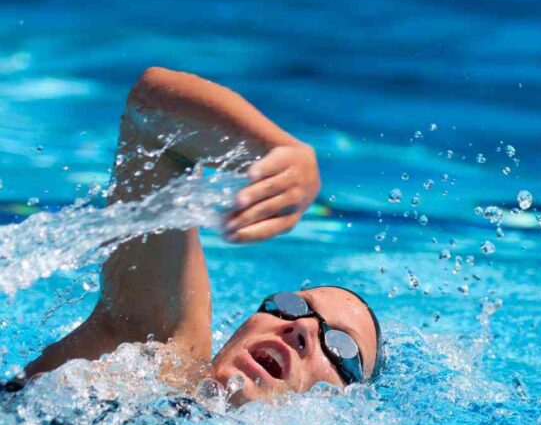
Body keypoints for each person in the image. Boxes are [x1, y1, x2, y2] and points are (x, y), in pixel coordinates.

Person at [5, 67, 384, 406]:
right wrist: (277, 149)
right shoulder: (157, 358)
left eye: (340, 346)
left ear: (344, 405)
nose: (302, 327)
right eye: (293, 304)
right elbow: (151, 116)